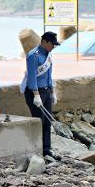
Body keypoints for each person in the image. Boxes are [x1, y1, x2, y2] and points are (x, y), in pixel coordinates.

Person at [21, 31, 60, 159]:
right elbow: (32, 78)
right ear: (44, 42)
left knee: (47, 122)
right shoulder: (34, 55)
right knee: (39, 122)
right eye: (51, 44)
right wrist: (36, 95)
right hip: (35, 92)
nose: (53, 47)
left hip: (46, 91)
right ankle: (36, 151)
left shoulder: (48, 55)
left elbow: (49, 76)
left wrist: (52, 92)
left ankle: (47, 150)